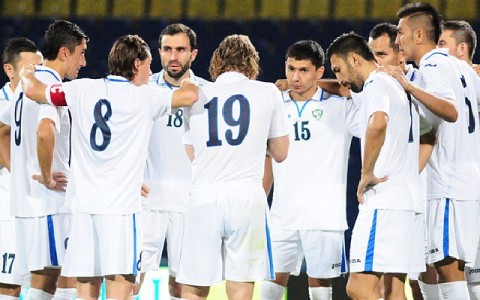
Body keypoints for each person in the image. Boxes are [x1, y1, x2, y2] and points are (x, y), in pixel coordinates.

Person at [19, 34, 199, 300]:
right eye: (149, 66)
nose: (151, 73)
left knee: (86, 290)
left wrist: (25, 73)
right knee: (120, 289)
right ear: (137, 64)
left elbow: (34, 90)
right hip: (121, 211)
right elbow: (191, 94)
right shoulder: (146, 97)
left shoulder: (80, 90)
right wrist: (188, 77)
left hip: (83, 209)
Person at [176, 34, 289, 300]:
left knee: (194, 286)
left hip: (204, 195)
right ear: (251, 63)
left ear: (216, 62)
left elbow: (191, 150)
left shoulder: (196, 94)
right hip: (247, 197)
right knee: (240, 287)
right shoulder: (267, 92)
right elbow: (281, 153)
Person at [384, 2, 480, 299]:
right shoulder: (462, 68)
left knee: (448, 270)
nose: (397, 39)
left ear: (419, 35)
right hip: (465, 181)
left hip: (448, 185)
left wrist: (408, 87)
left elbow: (450, 111)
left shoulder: (434, 65)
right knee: (451, 270)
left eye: (400, 33)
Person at [260, 40, 355, 300]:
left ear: (319, 72)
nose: (295, 77)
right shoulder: (273, 105)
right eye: (291, 69)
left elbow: (359, 89)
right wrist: (260, 199)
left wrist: (325, 87)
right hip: (282, 213)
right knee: (270, 283)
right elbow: (267, 158)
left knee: (320, 288)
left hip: (324, 215)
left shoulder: (340, 107)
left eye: (304, 70)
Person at [327, 32, 419, 300]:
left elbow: (378, 122)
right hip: (404, 201)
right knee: (392, 292)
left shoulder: (377, 84)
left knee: (359, 287)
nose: (340, 78)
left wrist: (366, 173)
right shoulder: (391, 86)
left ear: (355, 59)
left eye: (338, 69)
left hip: (384, 201)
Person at [0, 20, 88, 300]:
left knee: (49, 278)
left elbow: (3, 130)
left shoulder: (26, 87)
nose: (84, 62)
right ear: (64, 52)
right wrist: (47, 174)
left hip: (28, 201)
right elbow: (45, 131)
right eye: (80, 53)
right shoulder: (49, 87)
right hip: (48, 202)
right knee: (53, 276)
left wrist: (20, 173)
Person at [138, 23, 208, 299]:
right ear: (158, 53)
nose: (174, 56)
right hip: (146, 199)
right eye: (167, 49)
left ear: (194, 54)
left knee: (183, 285)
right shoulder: (142, 89)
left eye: (181, 49)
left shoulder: (207, 92)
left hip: (190, 202)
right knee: (131, 279)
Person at [437, 19, 480, 300]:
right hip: (471, 184)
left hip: (460, 185)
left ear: (461, 48)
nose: (435, 52)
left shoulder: (457, 76)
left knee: (451, 269)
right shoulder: (472, 77)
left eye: (442, 45)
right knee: (472, 274)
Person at [0, 37, 43, 300]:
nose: (36, 74)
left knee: (44, 278)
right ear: (10, 70)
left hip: (40, 200)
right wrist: (20, 177)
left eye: (39, 67)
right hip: (8, 204)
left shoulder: (37, 99)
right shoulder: (3, 102)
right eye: (30, 69)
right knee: (10, 283)